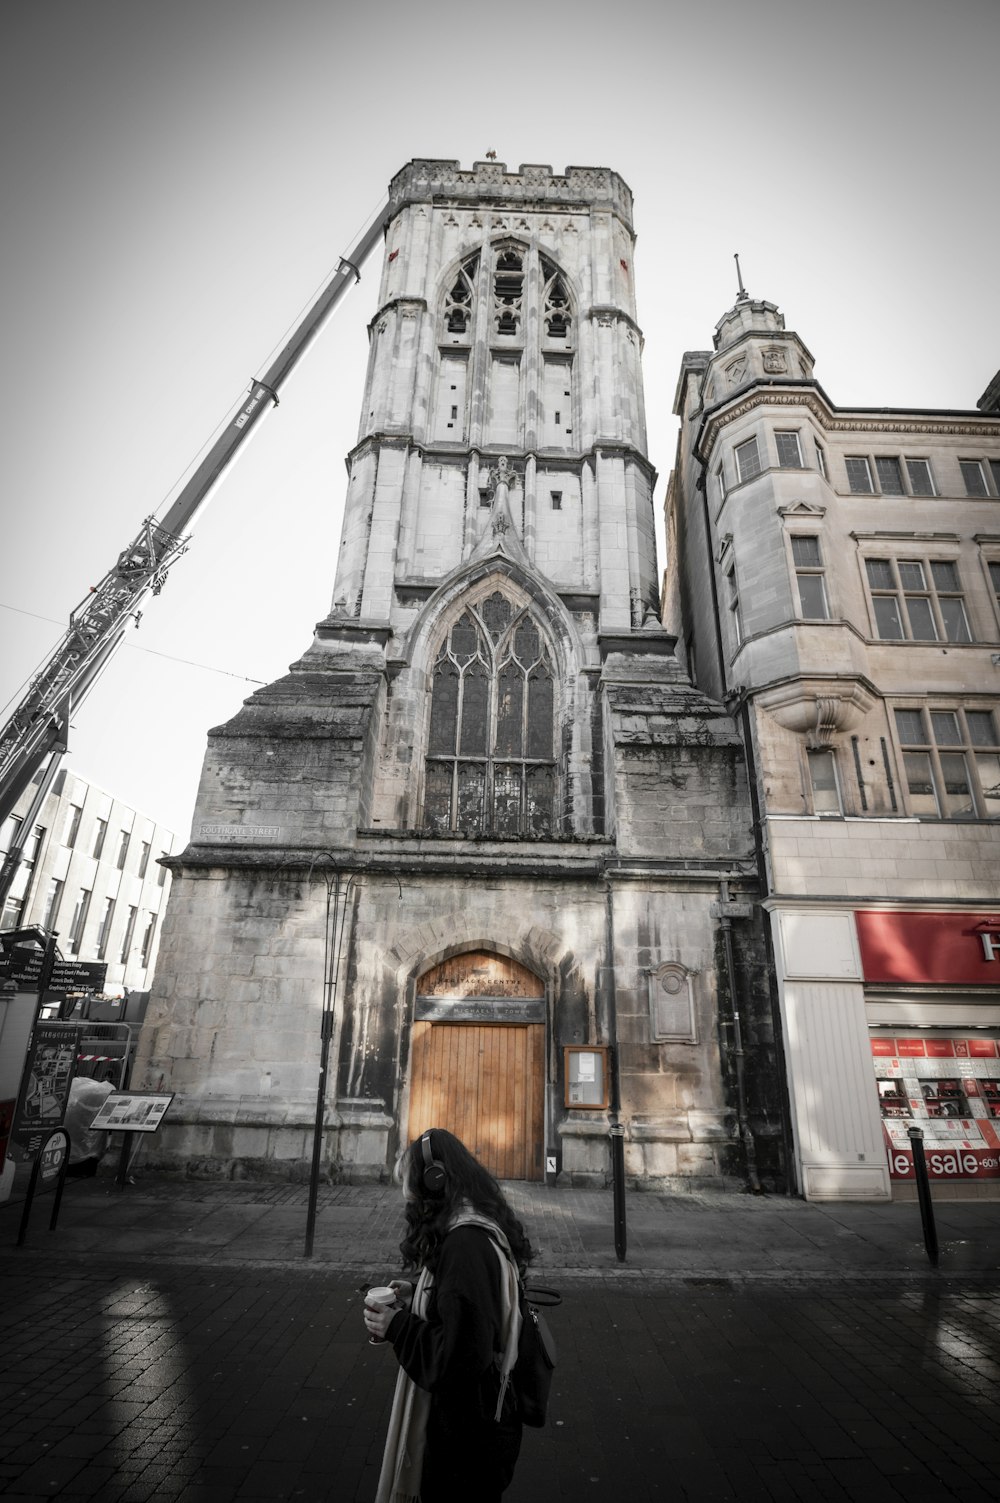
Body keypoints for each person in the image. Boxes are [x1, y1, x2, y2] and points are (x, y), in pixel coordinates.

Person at [364, 1128, 533, 1503]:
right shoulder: (476, 1224)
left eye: (412, 1196)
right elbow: (470, 1304)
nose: (411, 1207)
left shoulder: (464, 1247)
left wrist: (395, 1326)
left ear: (435, 1181)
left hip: (463, 1447)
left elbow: (459, 1357)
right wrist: (425, 1290)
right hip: (482, 1433)